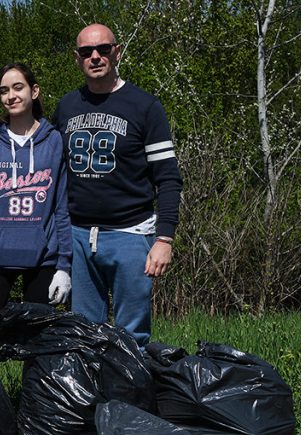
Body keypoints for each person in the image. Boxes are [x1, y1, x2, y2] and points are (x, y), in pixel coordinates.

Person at [53, 23, 183, 345]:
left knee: (132, 334)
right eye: (86, 52)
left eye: (103, 49)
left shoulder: (145, 106)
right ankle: (92, 396)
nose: (95, 57)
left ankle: (131, 395)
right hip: (79, 235)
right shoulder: (66, 106)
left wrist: (164, 237)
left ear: (117, 52)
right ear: (77, 58)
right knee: (83, 332)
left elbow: (167, 176)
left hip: (131, 234)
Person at [0, 63, 72, 357]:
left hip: (43, 259)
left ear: (34, 92)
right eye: (4, 91)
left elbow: (61, 207)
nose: (10, 95)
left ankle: (32, 403)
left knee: (37, 345)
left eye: (18, 87)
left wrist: (64, 265)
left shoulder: (55, 142)